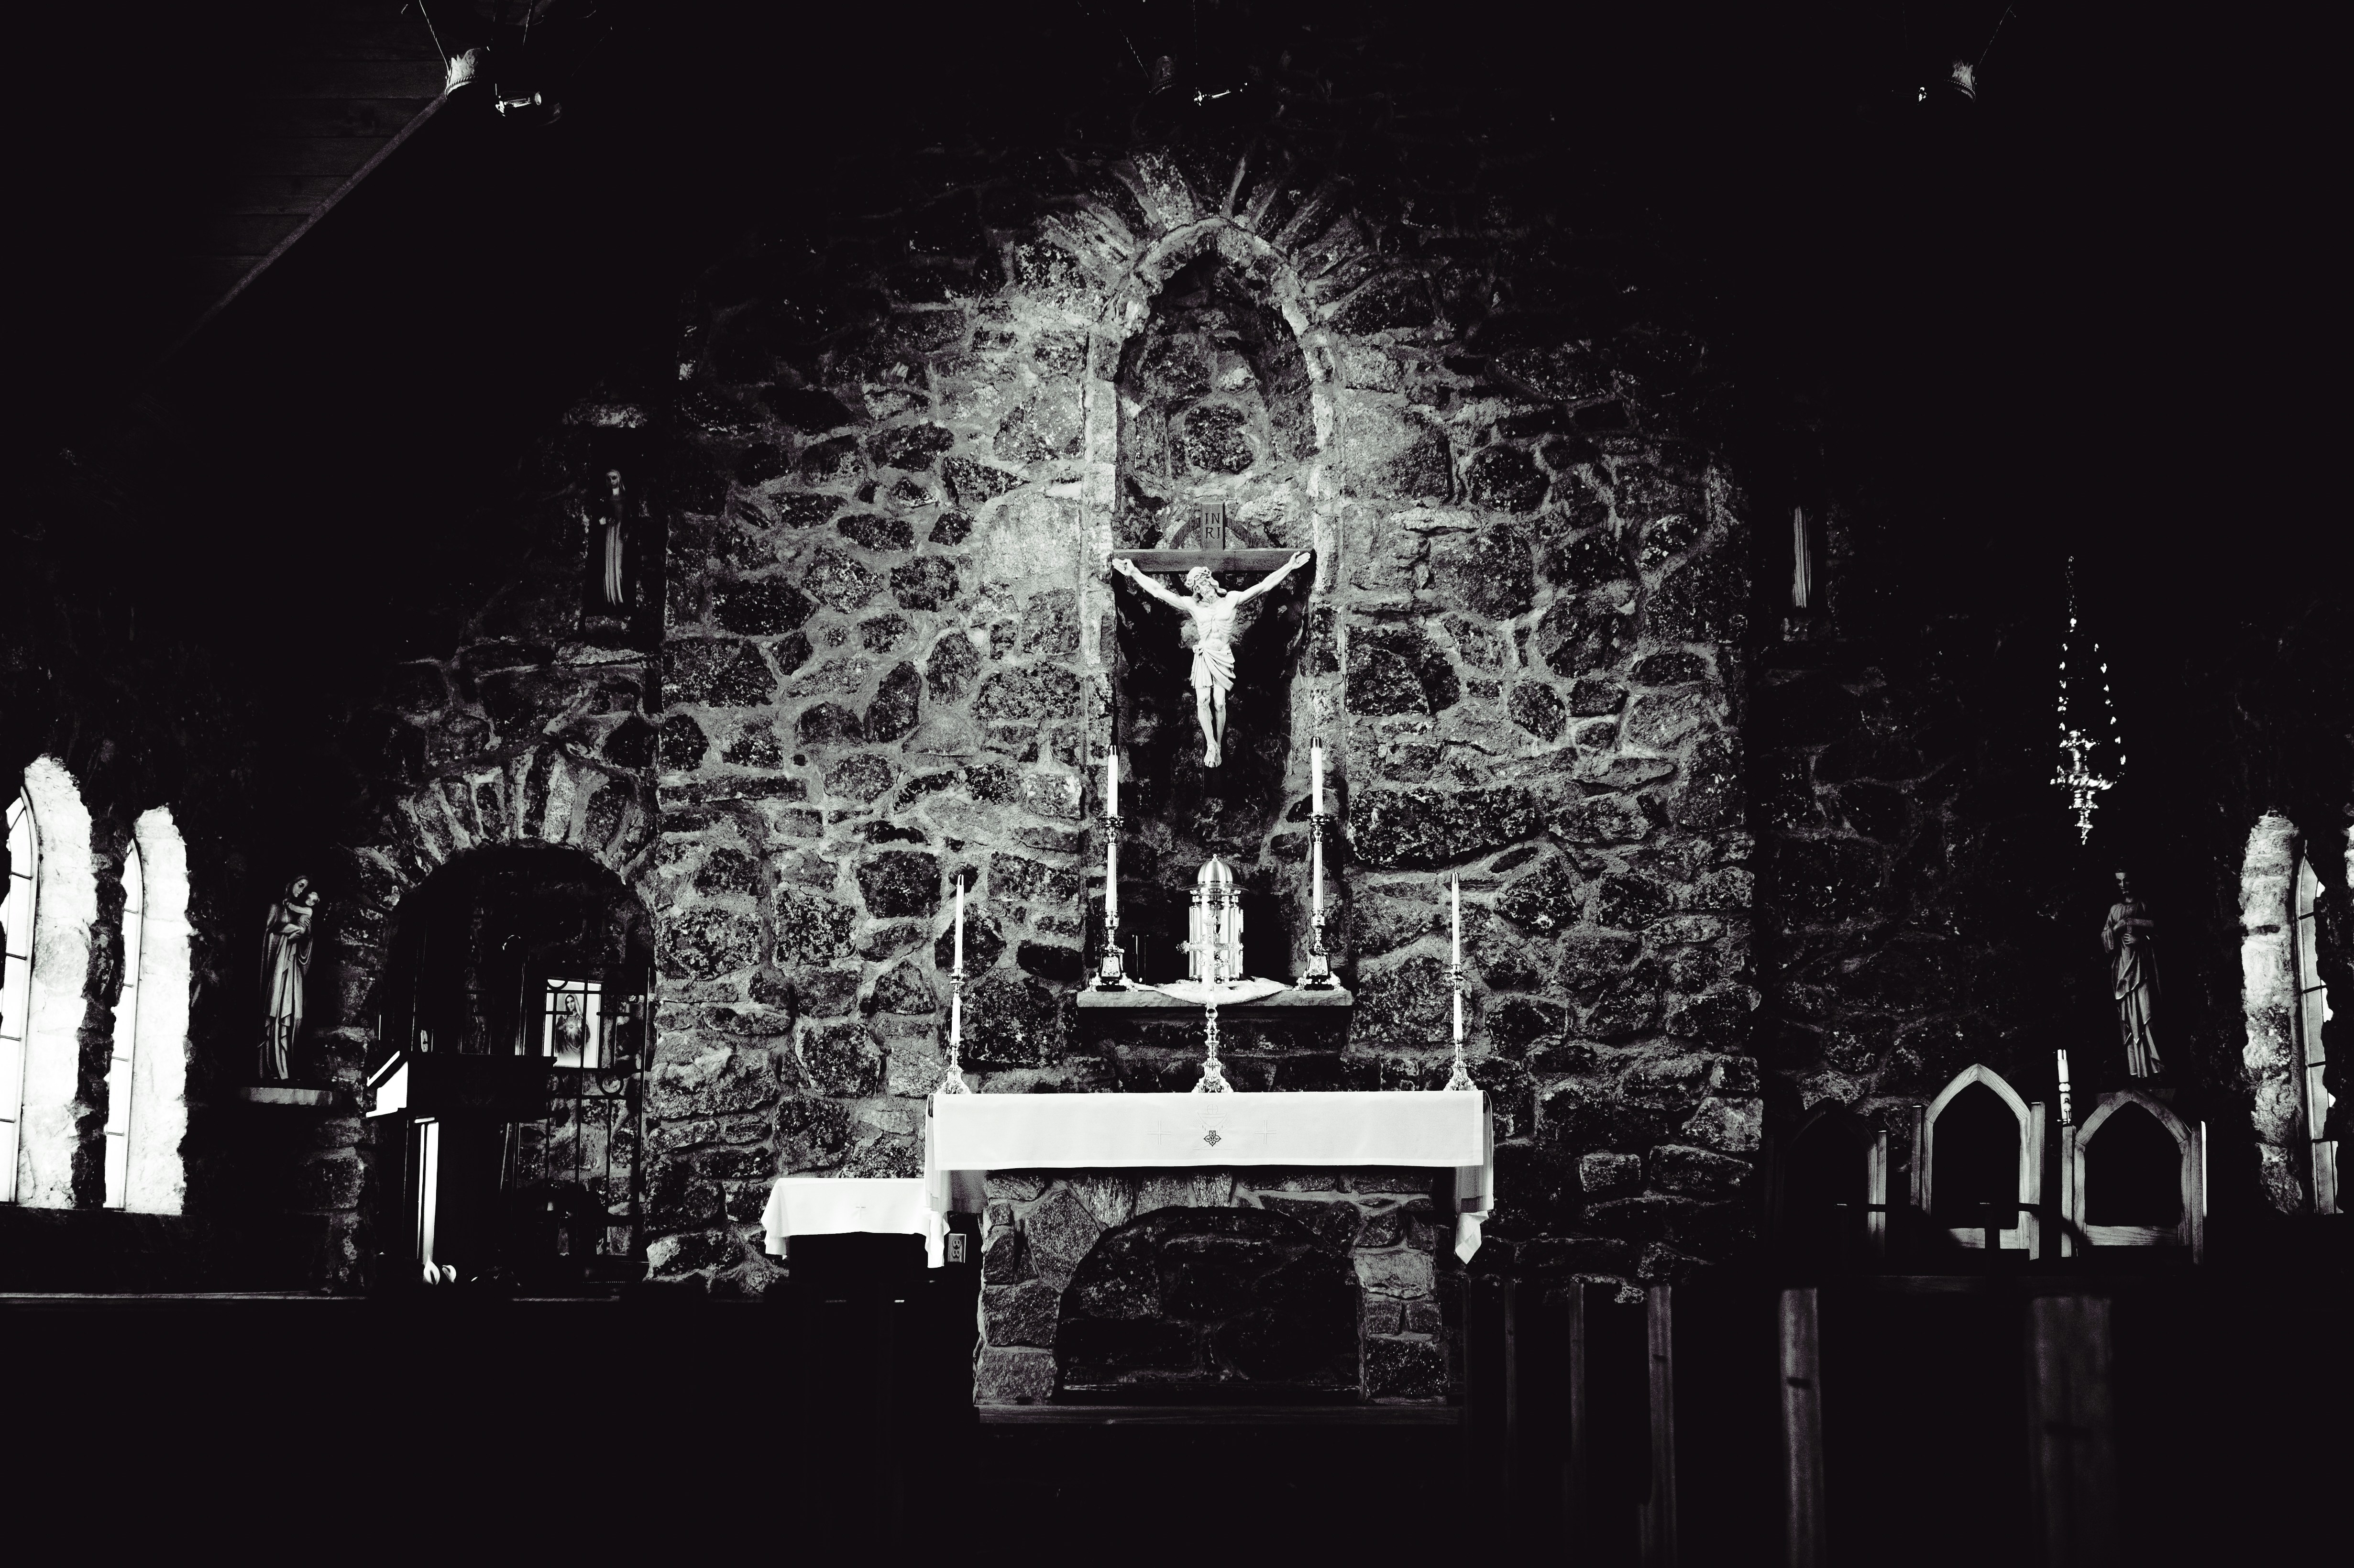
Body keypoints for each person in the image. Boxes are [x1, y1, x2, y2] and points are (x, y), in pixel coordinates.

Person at [1111, 550, 1311, 767]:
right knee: (1203, 700)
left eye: (1203, 584)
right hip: (1205, 656)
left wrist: (1289, 567)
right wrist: (1133, 573)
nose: (1201, 590)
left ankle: (1217, 741)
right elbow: (1159, 592)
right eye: (1197, 587)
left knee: (1218, 702)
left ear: (1211, 582)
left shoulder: (1232, 600)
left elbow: (1263, 586)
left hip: (1223, 656)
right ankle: (1212, 745)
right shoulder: (1194, 606)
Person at [2101, 870, 2162, 1078]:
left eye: (2126, 880)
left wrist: (2142, 942)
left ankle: (2156, 1067)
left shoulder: (2144, 905)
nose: (2123, 885)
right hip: (2123, 971)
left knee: (2148, 1015)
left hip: (2142, 970)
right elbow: (2106, 939)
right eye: (2118, 881)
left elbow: (2160, 936)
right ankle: (2135, 1070)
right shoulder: (2115, 909)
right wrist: (2116, 928)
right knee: (2127, 1019)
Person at [259, 876, 320, 1081]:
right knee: (277, 1013)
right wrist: (288, 934)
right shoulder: (277, 908)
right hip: (278, 971)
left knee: (297, 1016)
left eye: (307, 889)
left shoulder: (302, 912)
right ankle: (272, 1067)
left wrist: (305, 936)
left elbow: (306, 946)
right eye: (300, 885)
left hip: (293, 968)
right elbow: (266, 938)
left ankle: (288, 1066)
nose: (303, 891)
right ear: (289, 884)